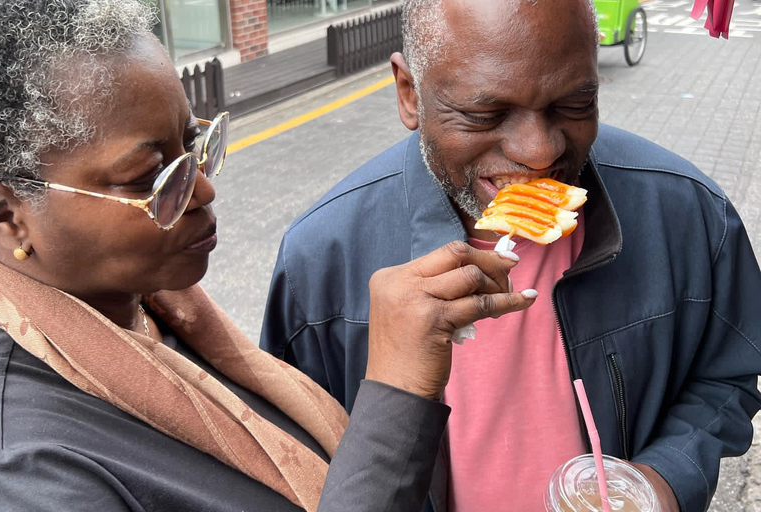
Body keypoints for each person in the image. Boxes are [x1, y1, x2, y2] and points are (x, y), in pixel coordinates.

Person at [0, 1, 538, 511]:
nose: (204, 191)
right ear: (5, 210)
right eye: (149, 178)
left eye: (195, 145)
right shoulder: (28, 470)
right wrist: (394, 395)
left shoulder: (159, 309)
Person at [259, 0, 761, 511]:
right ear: (410, 94)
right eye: (484, 114)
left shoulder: (687, 212)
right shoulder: (320, 257)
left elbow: (727, 374)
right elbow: (294, 452)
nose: (538, 151)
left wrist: (668, 478)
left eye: (574, 104)